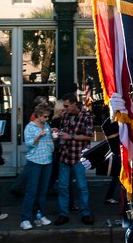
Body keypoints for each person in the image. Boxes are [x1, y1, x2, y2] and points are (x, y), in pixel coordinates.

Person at [54, 93, 94, 226]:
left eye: (66, 105)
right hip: (65, 155)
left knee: (82, 187)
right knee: (63, 186)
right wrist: (58, 132)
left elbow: (89, 136)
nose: (64, 108)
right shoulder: (65, 116)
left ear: (74, 104)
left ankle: (85, 213)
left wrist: (70, 136)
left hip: (78, 157)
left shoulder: (86, 116)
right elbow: (63, 131)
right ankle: (63, 214)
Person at [20, 105, 54, 230]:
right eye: (45, 116)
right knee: (31, 191)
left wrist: (53, 137)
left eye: (48, 117)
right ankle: (25, 219)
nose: (46, 119)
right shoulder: (30, 127)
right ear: (38, 115)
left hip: (47, 160)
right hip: (34, 161)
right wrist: (38, 137)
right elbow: (28, 144)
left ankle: (40, 215)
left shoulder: (46, 126)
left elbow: (50, 141)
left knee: (43, 191)